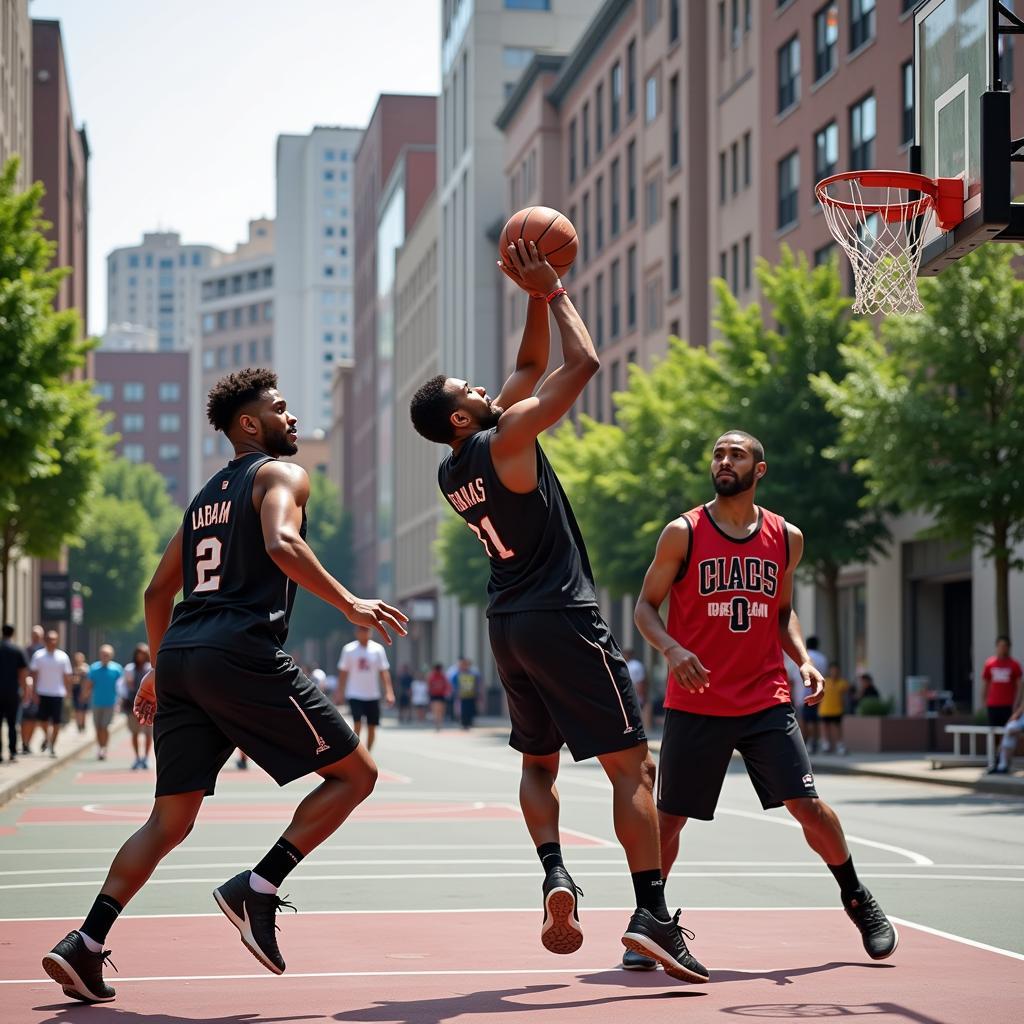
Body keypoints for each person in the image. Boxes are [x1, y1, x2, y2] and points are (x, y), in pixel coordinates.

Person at [41, 368, 406, 1004]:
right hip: (238, 651)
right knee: (356, 776)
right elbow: (282, 539)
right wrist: (350, 602)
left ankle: (86, 942)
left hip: (182, 655)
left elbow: (158, 591)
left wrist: (158, 666)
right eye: (281, 408)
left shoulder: (204, 497)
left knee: (168, 819)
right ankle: (258, 888)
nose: (292, 419)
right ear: (248, 424)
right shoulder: (282, 475)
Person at [409, 239, 705, 983]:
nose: (486, 387)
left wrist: (536, 296)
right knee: (633, 770)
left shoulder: (456, 466)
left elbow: (530, 368)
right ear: (459, 418)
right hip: (562, 617)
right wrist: (563, 294)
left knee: (539, 762)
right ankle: (652, 916)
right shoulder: (507, 437)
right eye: (471, 389)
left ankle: (555, 875)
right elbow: (581, 367)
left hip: (505, 625)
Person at [633, 430, 898, 972]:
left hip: (764, 699)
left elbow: (781, 613)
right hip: (697, 699)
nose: (723, 460)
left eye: (736, 454)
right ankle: (652, 920)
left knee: (807, 806)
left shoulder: (785, 537)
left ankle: (857, 898)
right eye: (717, 453)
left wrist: (802, 659)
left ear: (759, 470)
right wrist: (672, 648)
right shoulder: (683, 532)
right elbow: (644, 608)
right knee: (668, 821)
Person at [337, 625, 394, 752]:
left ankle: (368, 753)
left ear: (371, 632)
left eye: (366, 630)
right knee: (357, 723)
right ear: (356, 632)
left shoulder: (378, 649)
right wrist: (339, 692)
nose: (364, 633)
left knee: (372, 726)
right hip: (355, 693)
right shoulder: (349, 650)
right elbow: (343, 673)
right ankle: (357, 753)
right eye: (361, 630)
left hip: (373, 694)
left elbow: (384, 672)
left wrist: (389, 692)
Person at [29, 631, 73, 759]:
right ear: (45, 641)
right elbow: (34, 674)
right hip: (42, 692)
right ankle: (47, 738)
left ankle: (52, 746)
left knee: (56, 722)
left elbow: (67, 676)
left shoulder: (63, 656)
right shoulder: (38, 655)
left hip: (57, 693)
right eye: (49, 639)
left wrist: (68, 692)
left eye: (54, 639)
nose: (51, 642)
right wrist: (34, 692)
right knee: (42, 720)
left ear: (57, 640)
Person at [86, 646, 123, 761]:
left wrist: (120, 702)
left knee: (105, 726)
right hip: (96, 702)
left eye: (107, 655)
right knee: (97, 727)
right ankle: (99, 746)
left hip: (110, 703)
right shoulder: (94, 668)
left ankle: (104, 748)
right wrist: (84, 696)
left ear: (111, 656)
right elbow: (89, 684)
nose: (104, 656)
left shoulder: (117, 669)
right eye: (103, 654)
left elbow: (121, 687)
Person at [122, 644, 154, 770]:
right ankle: (137, 757)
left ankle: (146, 758)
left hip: (149, 705)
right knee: (135, 732)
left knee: (148, 733)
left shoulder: (151, 669)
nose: (141, 655)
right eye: (139, 652)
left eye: (144, 652)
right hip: (132, 704)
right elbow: (124, 686)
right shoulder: (129, 669)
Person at [0, 624, 29, 763]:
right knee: (12, 723)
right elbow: (23, 673)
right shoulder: (17, 650)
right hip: (12, 691)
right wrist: (23, 689)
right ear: (13, 634)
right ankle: (12, 751)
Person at [983, 636, 1021, 729]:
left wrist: (1017, 704)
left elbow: (1020, 686)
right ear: (996, 647)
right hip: (993, 705)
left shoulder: (1014, 664)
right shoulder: (989, 663)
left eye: (1004, 646)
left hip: (1008, 705)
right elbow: (985, 685)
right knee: (993, 734)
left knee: (1008, 733)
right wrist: (984, 701)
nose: (1002, 648)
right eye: (1000, 646)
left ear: (1008, 648)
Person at [20, 624, 45, 755]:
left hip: (40, 689)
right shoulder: (26, 650)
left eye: (38, 636)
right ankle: (24, 743)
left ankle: (28, 742)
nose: (35, 638)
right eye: (34, 635)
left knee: (34, 718)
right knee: (25, 717)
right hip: (26, 688)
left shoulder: (44, 651)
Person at [819, 662, 850, 755]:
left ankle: (839, 745)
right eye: (832, 670)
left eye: (836, 670)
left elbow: (846, 695)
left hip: (837, 709)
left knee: (837, 728)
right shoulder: (824, 681)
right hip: (825, 709)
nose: (834, 672)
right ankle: (826, 745)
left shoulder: (843, 683)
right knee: (825, 727)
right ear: (829, 671)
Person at [623, 649, 650, 732]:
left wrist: (642, 695)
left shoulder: (634, 665)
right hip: (632, 694)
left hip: (633, 694)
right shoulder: (632, 665)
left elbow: (640, 682)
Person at [451, 656, 481, 729]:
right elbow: (454, 683)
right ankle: (464, 722)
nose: (464, 665)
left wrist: (478, 692)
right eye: (463, 664)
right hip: (461, 695)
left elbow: (477, 683)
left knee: (470, 708)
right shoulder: (457, 673)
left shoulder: (473, 673)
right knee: (463, 709)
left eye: (465, 664)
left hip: (471, 695)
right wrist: (455, 692)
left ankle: (469, 721)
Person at [71, 652, 91, 733]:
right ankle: (79, 724)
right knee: (77, 709)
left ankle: (83, 724)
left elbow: (88, 681)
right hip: (76, 690)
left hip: (84, 690)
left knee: (83, 709)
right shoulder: (73, 668)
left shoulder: (86, 668)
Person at [427, 662, 450, 730]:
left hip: (441, 695)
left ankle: (439, 723)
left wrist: (447, 692)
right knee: (436, 710)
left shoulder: (443, 676)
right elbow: (429, 686)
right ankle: (437, 723)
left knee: (441, 710)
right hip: (434, 695)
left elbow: (447, 685)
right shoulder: (432, 676)